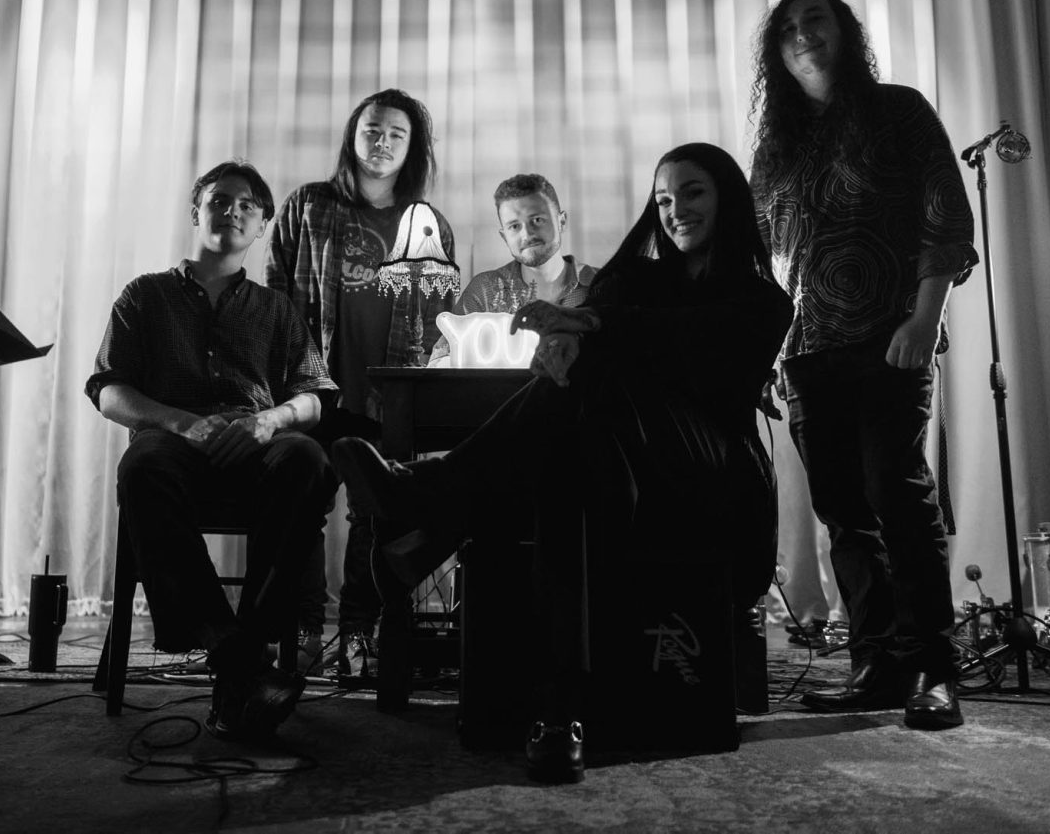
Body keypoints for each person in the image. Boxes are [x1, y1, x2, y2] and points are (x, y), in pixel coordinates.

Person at [333, 143, 791, 783]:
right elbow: (604, 319)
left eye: (693, 193)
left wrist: (585, 332)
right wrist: (566, 337)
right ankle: (560, 708)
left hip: (710, 475)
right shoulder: (638, 279)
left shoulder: (763, 300)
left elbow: (686, 345)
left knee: (588, 387)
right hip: (620, 467)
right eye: (663, 199)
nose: (676, 209)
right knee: (569, 460)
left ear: (726, 199)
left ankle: (427, 511)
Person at [748, 0, 978, 731]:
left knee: (898, 495)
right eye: (788, 28)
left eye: (816, 19)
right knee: (845, 512)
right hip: (809, 353)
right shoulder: (777, 149)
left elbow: (945, 210)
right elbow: (763, 258)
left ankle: (935, 670)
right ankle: (877, 664)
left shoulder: (898, 111)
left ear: (843, 32)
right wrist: (768, 352)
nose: (803, 34)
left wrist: (925, 315)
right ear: (775, 52)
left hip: (891, 336)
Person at [86, 160, 337, 739]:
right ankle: (238, 659)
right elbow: (108, 390)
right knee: (142, 464)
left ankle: (240, 648)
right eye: (220, 200)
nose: (233, 210)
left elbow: (315, 397)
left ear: (263, 226)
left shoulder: (276, 309)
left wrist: (268, 422)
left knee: (306, 460)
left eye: (248, 205)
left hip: (254, 450)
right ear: (196, 212)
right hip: (173, 452)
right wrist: (181, 424)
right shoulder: (144, 296)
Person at [266, 88, 458, 680]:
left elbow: (440, 317)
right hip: (311, 390)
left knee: (374, 519)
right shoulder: (307, 206)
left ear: (412, 149)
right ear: (353, 135)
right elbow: (275, 297)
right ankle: (299, 630)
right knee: (302, 507)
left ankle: (358, 636)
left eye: (396, 135)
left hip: (388, 396)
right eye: (372, 130)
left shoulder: (426, 224)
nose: (382, 143)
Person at [428, 173, 597, 365]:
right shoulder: (485, 291)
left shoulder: (602, 286)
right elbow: (439, 362)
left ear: (562, 221)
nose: (527, 235)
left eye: (537, 220)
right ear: (504, 236)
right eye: (514, 226)